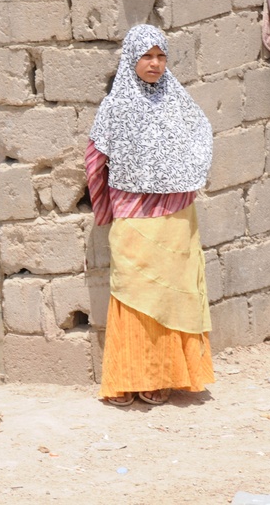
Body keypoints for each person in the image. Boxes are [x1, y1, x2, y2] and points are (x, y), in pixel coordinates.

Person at [85, 25, 215, 406]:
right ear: (131, 59)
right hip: (132, 212)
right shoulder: (115, 106)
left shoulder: (180, 103)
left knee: (173, 294)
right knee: (133, 291)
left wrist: (183, 175)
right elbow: (96, 157)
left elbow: (201, 138)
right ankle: (129, 377)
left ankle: (166, 377)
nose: (155, 64)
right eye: (147, 56)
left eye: (161, 56)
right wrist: (105, 205)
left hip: (175, 213)